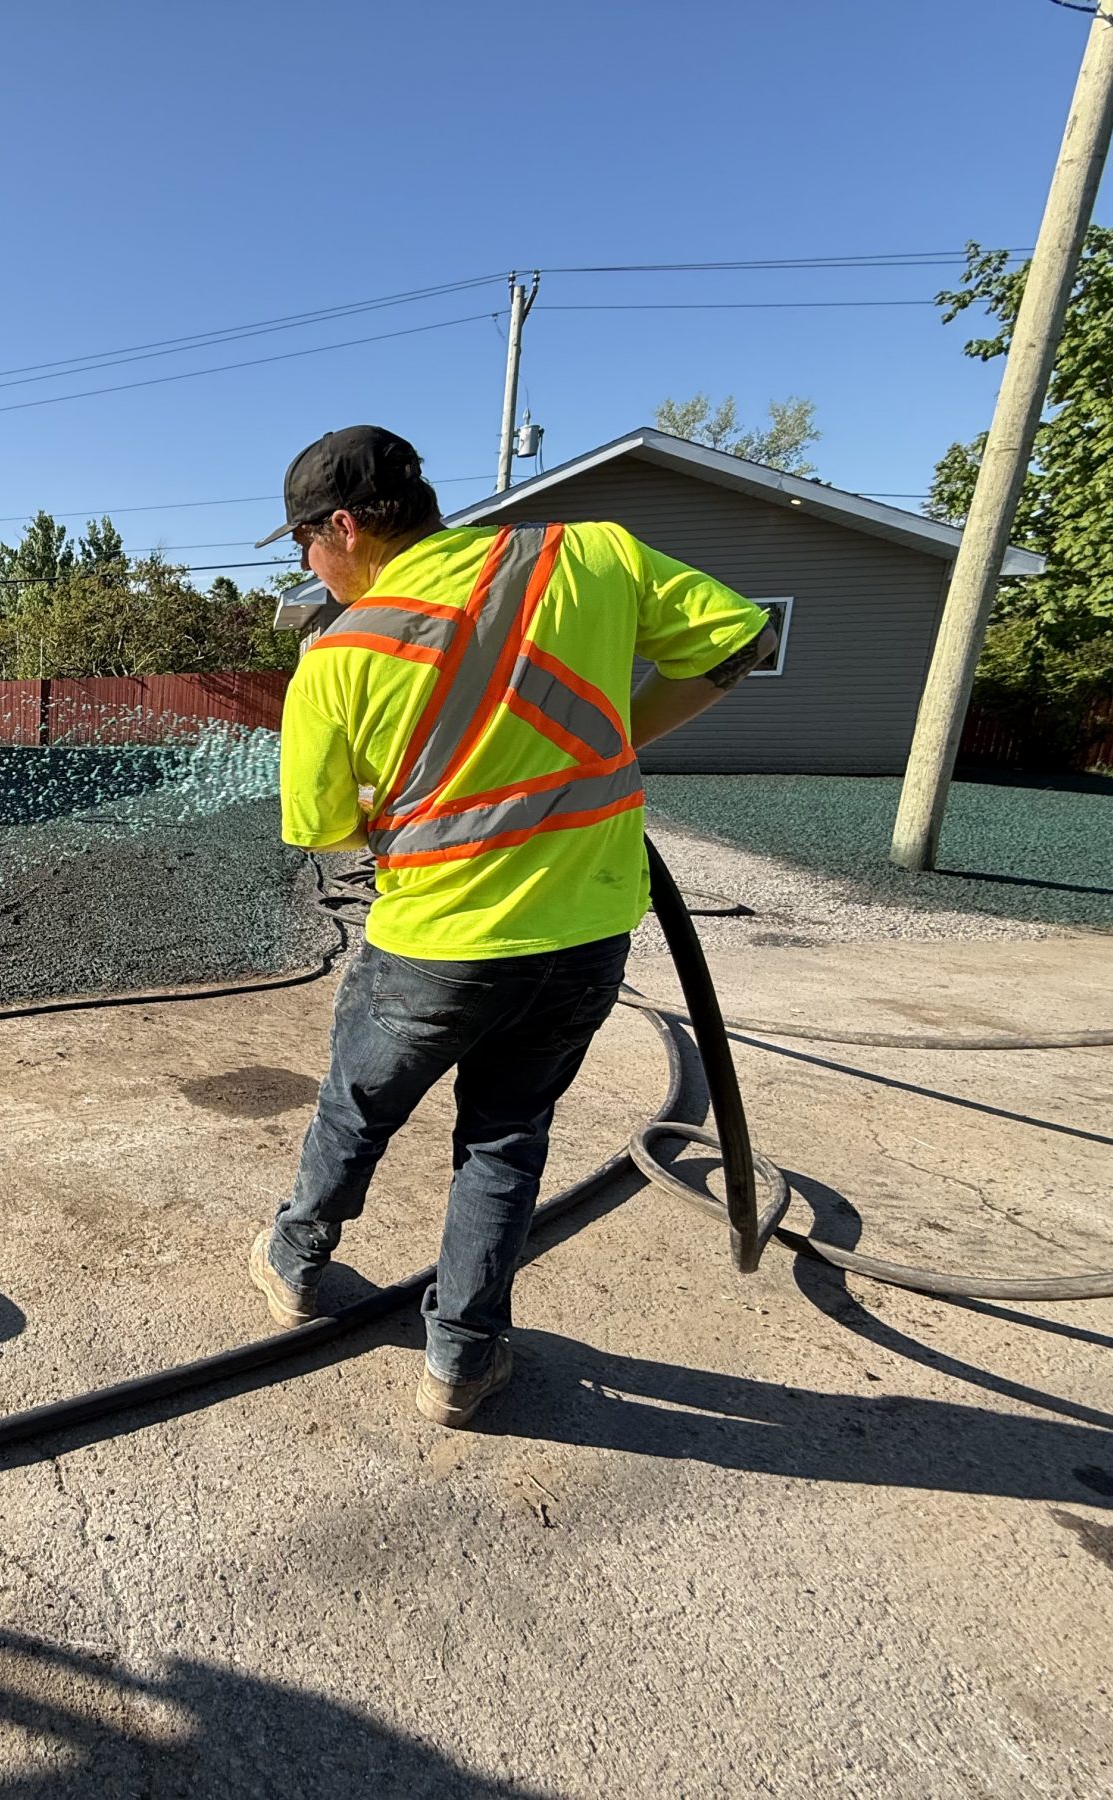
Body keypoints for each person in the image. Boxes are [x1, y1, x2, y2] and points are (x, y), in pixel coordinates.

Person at [247, 425, 776, 1428]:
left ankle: (294, 1263)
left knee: (356, 1113)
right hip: (583, 938)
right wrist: (618, 738)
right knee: (504, 1145)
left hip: (435, 947)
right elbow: (745, 637)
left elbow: (320, 829)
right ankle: (460, 1361)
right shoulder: (593, 555)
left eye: (304, 543)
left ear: (346, 528)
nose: (307, 563)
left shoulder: (340, 650)